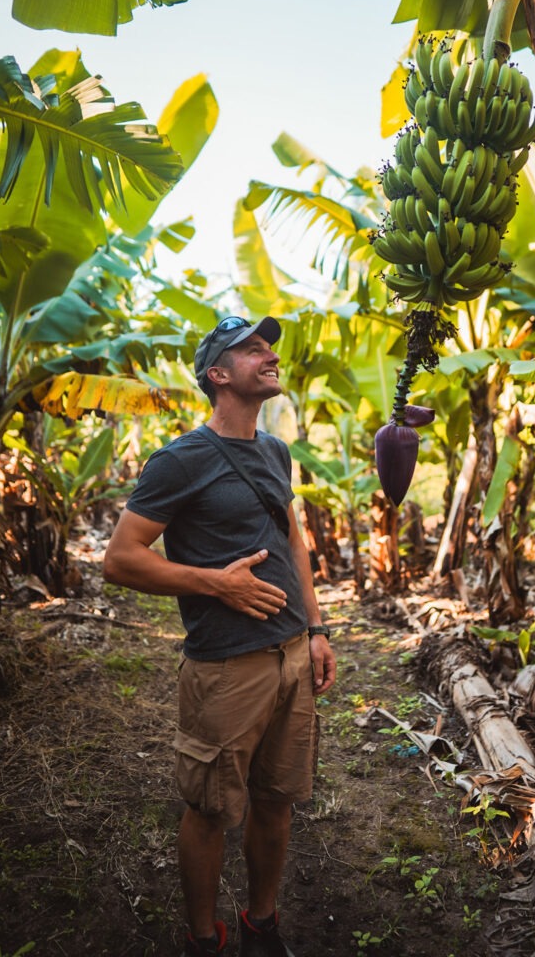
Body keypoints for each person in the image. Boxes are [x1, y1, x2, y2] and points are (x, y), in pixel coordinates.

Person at [103, 315, 336, 957]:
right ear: (219, 374)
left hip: (291, 654)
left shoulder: (275, 451)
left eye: (269, 347)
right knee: (209, 809)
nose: (269, 356)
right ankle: (203, 938)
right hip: (226, 668)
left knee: (277, 800)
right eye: (252, 349)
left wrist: (315, 628)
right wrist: (216, 584)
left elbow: (291, 538)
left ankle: (263, 924)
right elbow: (121, 557)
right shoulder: (181, 460)